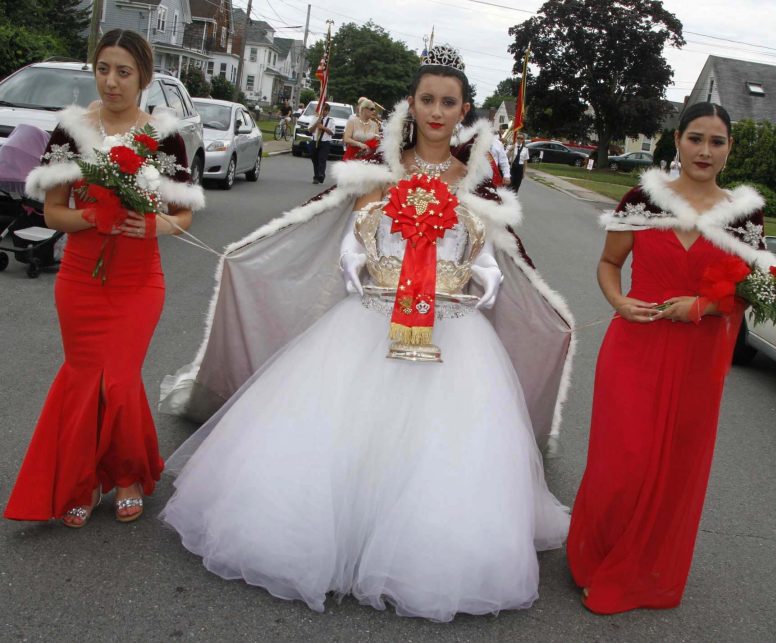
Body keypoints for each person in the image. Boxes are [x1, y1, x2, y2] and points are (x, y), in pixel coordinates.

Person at [158, 44, 573, 622]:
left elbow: (492, 266)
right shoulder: (380, 173)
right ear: (414, 104)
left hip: (452, 331)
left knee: (443, 448)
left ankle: (415, 553)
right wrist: (370, 278)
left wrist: (469, 289)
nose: (436, 111)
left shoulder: (477, 186)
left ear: (464, 111)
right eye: (426, 99)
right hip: (371, 320)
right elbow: (350, 247)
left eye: (448, 102)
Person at [567, 102, 774, 615]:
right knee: (624, 460)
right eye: (696, 138)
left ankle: (642, 570)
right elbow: (610, 263)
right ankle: (599, 555)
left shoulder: (744, 214)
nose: (705, 151)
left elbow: (752, 291)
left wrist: (704, 305)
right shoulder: (643, 199)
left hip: (699, 356)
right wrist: (618, 301)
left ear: (729, 150)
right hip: (635, 343)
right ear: (676, 140)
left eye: (717, 142)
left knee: (675, 467)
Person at [4, 29, 205, 527]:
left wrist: (150, 222)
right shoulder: (70, 132)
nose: (111, 82)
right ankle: (84, 479)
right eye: (103, 69)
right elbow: (52, 214)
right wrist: (94, 217)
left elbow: (183, 216)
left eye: (123, 72)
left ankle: (127, 474)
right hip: (79, 278)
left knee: (116, 379)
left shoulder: (165, 136)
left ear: (144, 78)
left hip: (139, 281)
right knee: (83, 377)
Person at [308, 102, 333, 184]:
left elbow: (332, 132)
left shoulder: (331, 121)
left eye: (325, 110)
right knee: (315, 159)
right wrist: (317, 123)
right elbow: (310, 130)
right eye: (322, 110)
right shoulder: (315, 118)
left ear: (328, 111)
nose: (323, 112)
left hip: (325, 142)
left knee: (322, 159)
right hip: (314, 141)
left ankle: (320, 175)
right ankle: (316, 175)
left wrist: (323, 127)